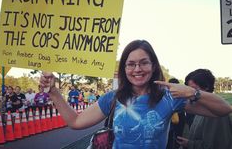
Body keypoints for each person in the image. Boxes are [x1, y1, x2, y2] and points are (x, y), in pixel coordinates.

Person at [40, 40, 232, 148]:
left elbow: (223, 110)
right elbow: (75, 122)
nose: (137, 69)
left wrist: (192, 92)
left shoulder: (170, 97)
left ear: (153, 65)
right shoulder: (113, 98)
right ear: (124, 68)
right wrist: (55, 93)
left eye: (143, 62)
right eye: (131, 64)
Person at [176, 69, 232, 149]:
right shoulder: (200, 108)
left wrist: (189, 144)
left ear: (206, 87)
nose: (189, 94)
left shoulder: (217, 111)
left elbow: (217, 145)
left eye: (193, 90)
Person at [166, 78, 186, 149]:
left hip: (174, 124)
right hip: (179, 121)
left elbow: (175, 120)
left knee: (172, 139)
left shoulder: (169, 96)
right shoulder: (182, 96)